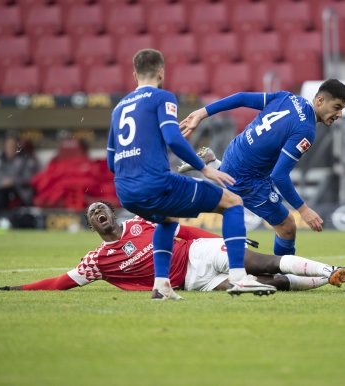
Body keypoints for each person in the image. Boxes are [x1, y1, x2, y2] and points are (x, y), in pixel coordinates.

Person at [107, 48, 275, 300]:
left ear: (134, 74)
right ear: (161, 72)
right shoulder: (162, 97)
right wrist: (205, 168)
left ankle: (161, 286)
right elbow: (174, 139)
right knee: (233, 202)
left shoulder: (118, 108)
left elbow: (111, 160)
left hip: (126, 192)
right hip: (155, 183)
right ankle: (239, 278)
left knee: (167, 219)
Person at [0, 201, 345, 293]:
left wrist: (229, 241)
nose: (99, 211)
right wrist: (14, 289)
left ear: (112, 214)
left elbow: (185, 233)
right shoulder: (97, 261)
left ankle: (335, 271)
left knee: (266, 260)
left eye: (102, 206)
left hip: (200, 254)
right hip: (195, 283)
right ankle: (334, 279)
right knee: (269, 283)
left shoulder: (141, 223)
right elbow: (58, 284)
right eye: (93, 212)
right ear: (91, 225)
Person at [179, 79, 345, 257]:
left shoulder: (288, 98)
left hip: (235, 150)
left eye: (342, 109)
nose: (339, 114)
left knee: (232, 200)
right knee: (287, 226)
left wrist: (202, 112)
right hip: (247, 177)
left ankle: (212, 164)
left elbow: (240, 97)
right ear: (320, 100)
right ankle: (282, 273)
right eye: (337, 107)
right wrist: (303, 210)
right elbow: (280, 176)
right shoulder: (306, 130)